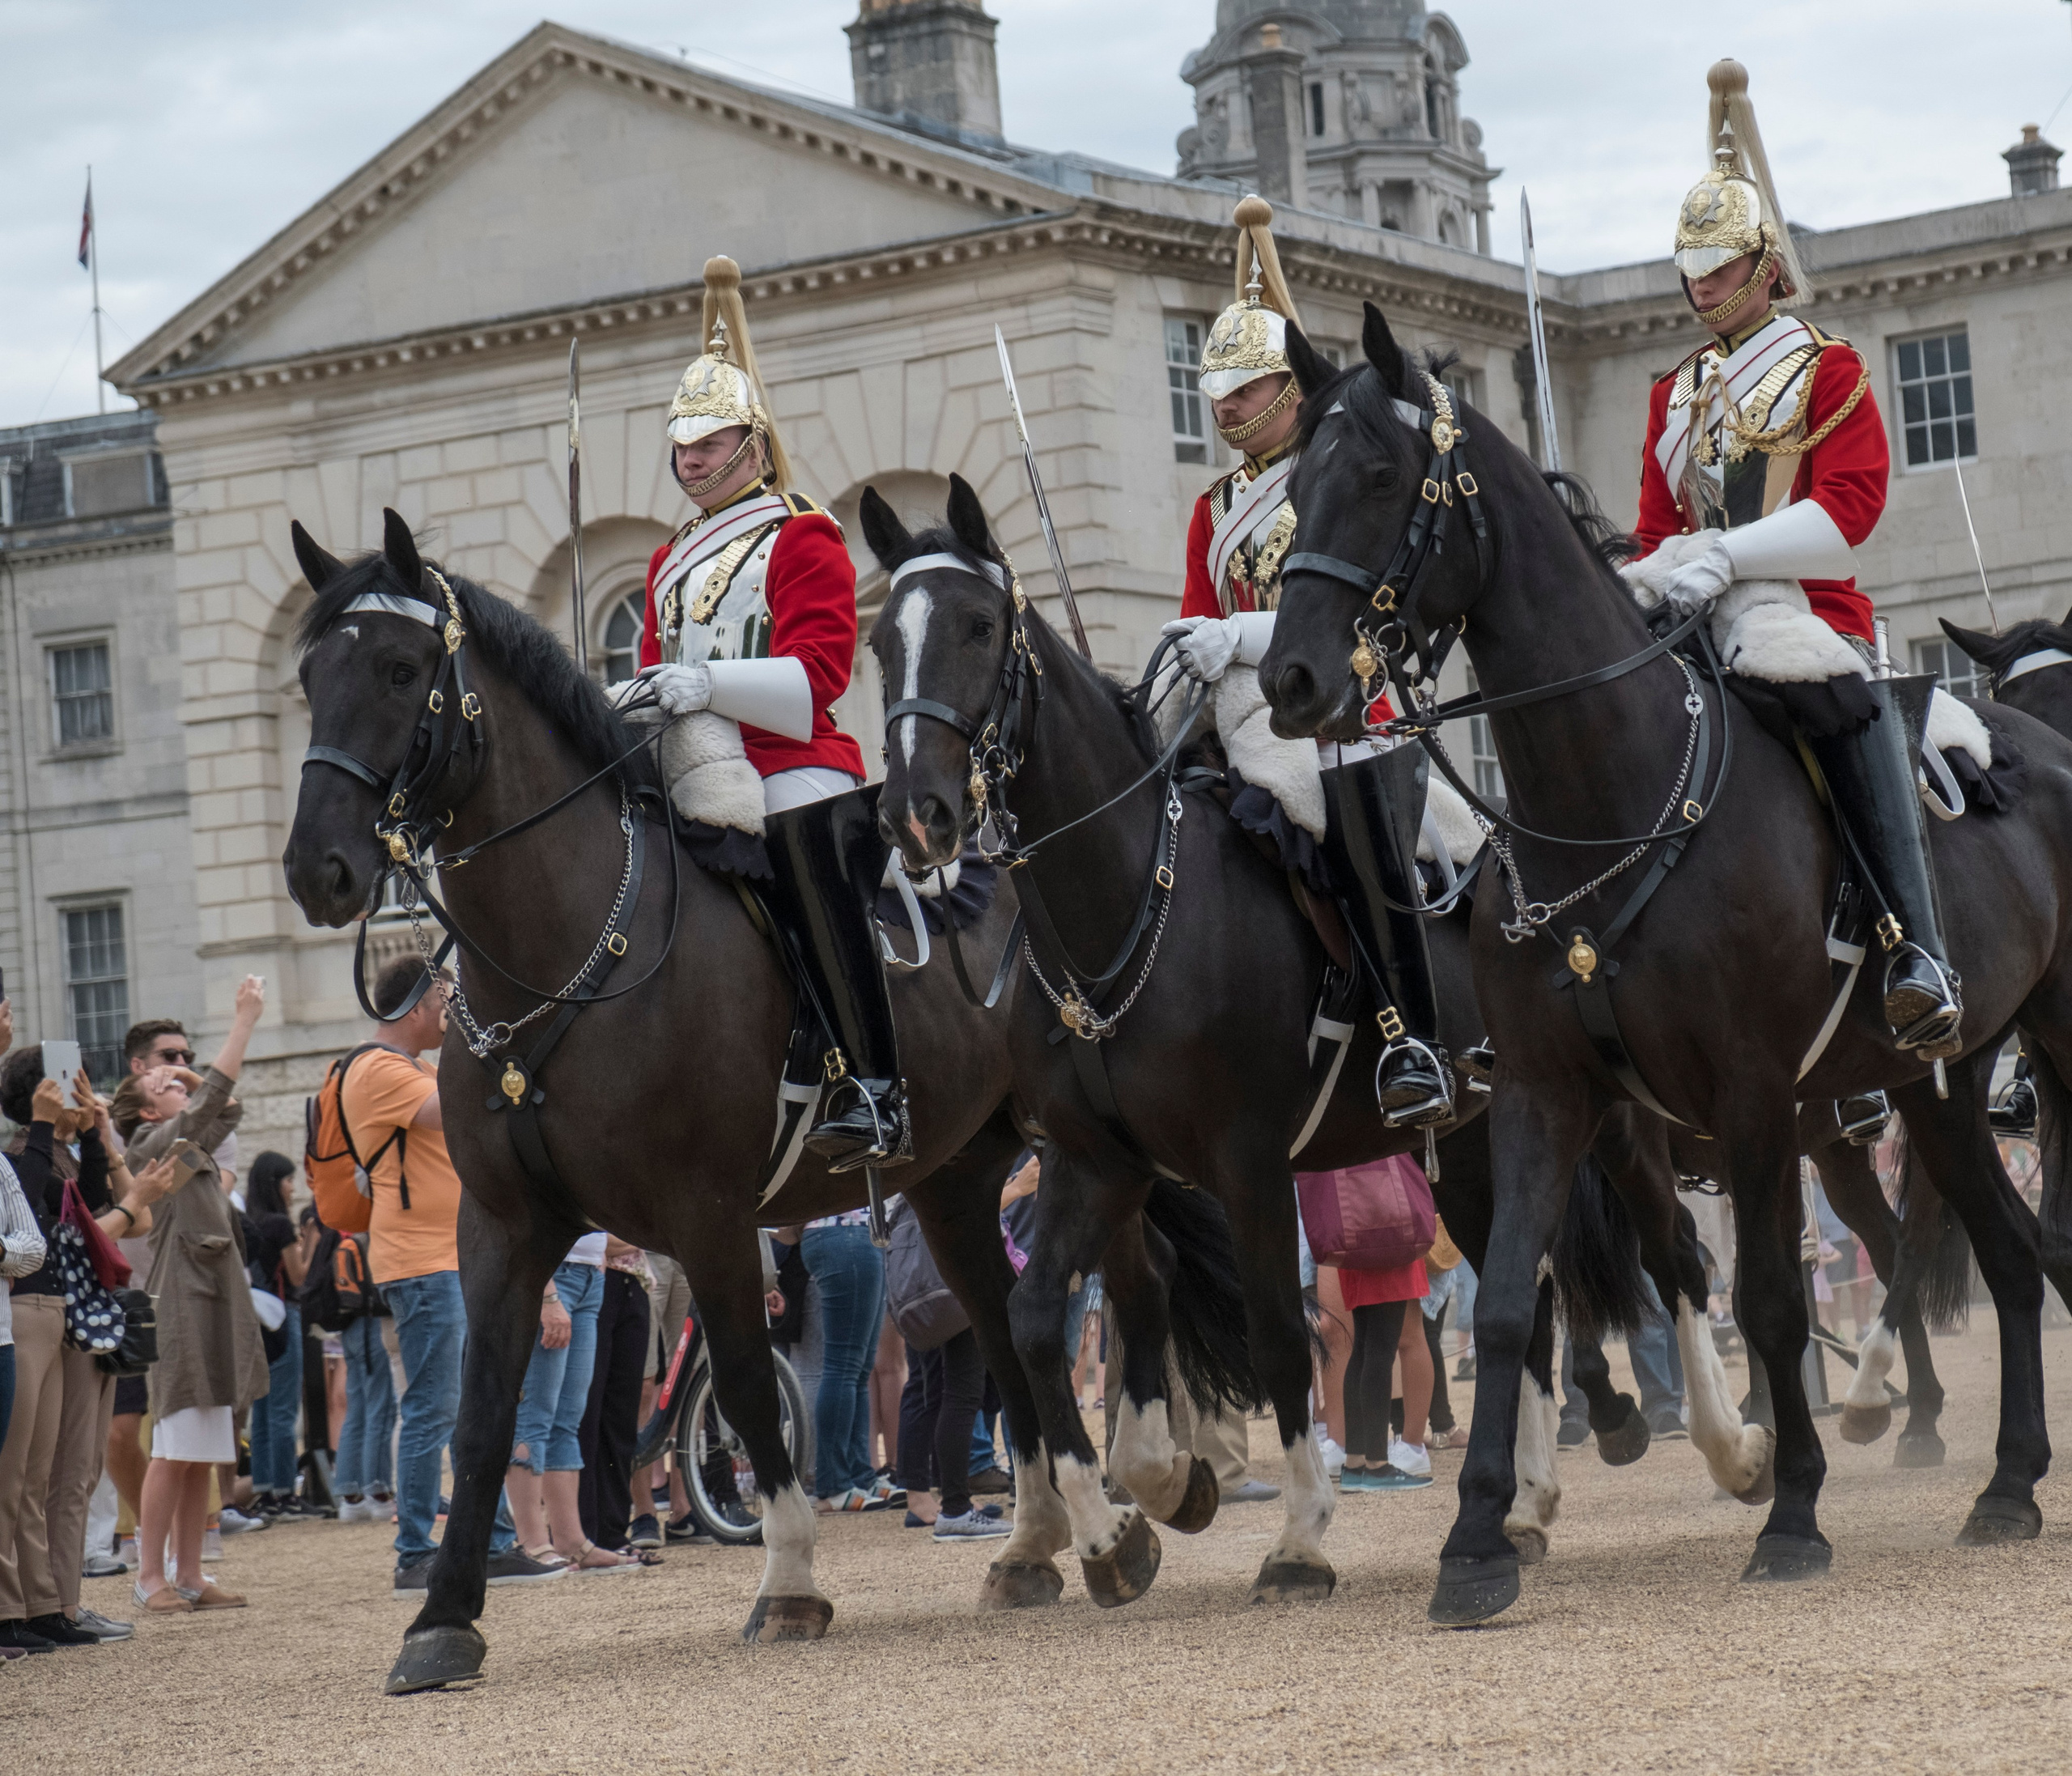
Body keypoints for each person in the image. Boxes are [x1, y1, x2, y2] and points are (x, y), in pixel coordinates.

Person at [1624, 59, 1955, 1056]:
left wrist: (1727, 553)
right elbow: (1652, 529)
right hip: (1690, 611)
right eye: (1690, 273)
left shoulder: (1828, 366)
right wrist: (1672, 569)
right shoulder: (1669, 394)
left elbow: (1848, 513)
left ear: (1765, 263)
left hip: (1806, 612)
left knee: (1837, 706)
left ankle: (1913, 946)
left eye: (1718, 271)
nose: (1700, 291)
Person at [1157, 195, 1463, 1128]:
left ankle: (1405, 1028)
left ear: (1290, 390)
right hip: (1234, 708)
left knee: (1316, 803)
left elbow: (1358, 612)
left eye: (1244, 392)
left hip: (1342, 705)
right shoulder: (1213, 506)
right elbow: (1196, 617)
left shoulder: (1335, 474)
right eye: (1216, 395)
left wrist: (1239, 639)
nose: (1225, 410)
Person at [618, 255, 904, 1171]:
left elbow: (818, 676)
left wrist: (711, 687)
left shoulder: (801, 532)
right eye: (681, 443)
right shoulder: (665, 562)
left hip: (793, 762)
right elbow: (654, 670)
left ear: (752, 439)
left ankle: (871, 1082)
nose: (689, 458)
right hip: (693, 765)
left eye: (708, 442)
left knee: (804, 851)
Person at [337, 958, 492, 1592]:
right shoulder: (377, 1069)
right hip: (421, 1263)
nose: (452, 1013)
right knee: (431, 1409)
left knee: (462, 1407)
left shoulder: (410, 1067)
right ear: (419, 1005)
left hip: (444, 1257)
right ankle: (412, 1549)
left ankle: (488, 1538)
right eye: (447, 1000)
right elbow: (453, 1110)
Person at [117, 974, 270, 1617]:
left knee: (203, 1449)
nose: (179, 1077)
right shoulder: (151, 1147)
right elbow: (215, 1104)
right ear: (146, 1111)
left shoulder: (189, 1144)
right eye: (164, 1078)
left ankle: (188, 1571)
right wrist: (242, 1022)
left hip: (210, 1297)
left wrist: (186, 1088)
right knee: (175, 1444)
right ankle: (148, 1574)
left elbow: (220, 1109)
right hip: (180, 1300)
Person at [488, 1233, 636, 1574]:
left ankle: (571, 1540)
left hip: (587, 1274)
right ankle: (532, 1543)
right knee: (535, 1413)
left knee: (568, 1418)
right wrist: (547, 1292)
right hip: (554, 1272)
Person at [241, 1151, 317, 1517]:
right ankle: (288, 1492)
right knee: (284, 1411)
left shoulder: (250, 1220)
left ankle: (265, 1490)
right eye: (288, 1181)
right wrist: (313, 1241)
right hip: (283, 1316)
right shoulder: (280, 1225)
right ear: (276, 1183)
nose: (292, 1188)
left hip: (255, 1318)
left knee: (263, 1410)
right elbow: (299, 1274)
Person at [577, 1237, 654, 1557]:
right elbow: (600, 1242)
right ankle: (580, 1531)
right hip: (590, 1281)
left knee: (622, 1416)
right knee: (586, 1415)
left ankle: (612, 1532)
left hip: (634, 1283)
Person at [1337, 1236, 1432, 1492]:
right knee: (1379, 1349)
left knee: (1363, 1348)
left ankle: (1355, 1463)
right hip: (1388, 1237)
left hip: (1355, 1240)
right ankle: (1377, 1464)